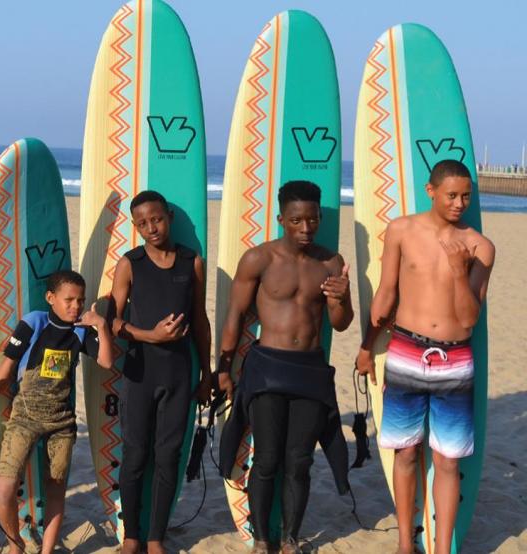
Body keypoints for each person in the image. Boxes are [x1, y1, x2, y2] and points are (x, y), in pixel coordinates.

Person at [355, 160, 494, 554]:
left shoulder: (481, 248)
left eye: (466, 196)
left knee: (448, 461)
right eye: (451, 195)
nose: (459, 203)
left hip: (455, 357)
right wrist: (367, 347)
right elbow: (385, 295)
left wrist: (456, 270)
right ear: (431, 191)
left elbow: (469, 318)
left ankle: (443, 546)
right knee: (405, 451)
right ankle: (404, 542)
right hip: (405, 349)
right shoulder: (401, 230)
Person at [216, 181, 353, 554]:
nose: (306, 228)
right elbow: (235, 316)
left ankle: (290, 539)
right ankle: (263, 540)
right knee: (267, 458)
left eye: (313, 219)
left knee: (300, 461)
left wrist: (340, 298)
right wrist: (224, 367)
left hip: (309, 368)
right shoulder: (258, 259)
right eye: (297, 220)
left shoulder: (331, 262)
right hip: (267, 367)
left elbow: (340, 322)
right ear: (281, 219)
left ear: (321, 217)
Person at [0, 270, 114, 554]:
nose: (75, 306)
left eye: (81, 300)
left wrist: (100, 325)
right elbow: (8, 367)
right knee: (4, 488)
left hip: (61, 423)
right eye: (69, 300)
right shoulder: (33, 323)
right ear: (50, 298)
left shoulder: (80, 331)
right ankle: (15, 544)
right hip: (24, 417)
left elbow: (106, 362)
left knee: (56, 490)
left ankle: (47, 550)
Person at [107, 191, 212, 554]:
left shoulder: (191, 262)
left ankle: (155, 537)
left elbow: (200, 320)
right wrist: (149, 335)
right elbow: (113, 320)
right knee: (135, 454)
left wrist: (207, 373)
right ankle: (132, 534)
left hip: (179, 373)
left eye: (157, 219)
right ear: (136, 227)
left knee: (168, 455)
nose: (152, 228)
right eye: (142, 223)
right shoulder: (130, 263)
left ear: (168, 216)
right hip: (139, 372)